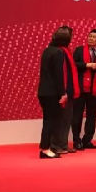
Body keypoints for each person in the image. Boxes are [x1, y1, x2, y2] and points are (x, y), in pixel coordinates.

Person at [37, 28, 71, 159]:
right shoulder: (58, 52)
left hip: (43, 91)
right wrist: (63, 93)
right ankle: (45, 149)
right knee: (50, 121)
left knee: (48, 120)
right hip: (52, 93)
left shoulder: (47, 50)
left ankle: (46, 148)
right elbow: (58, 75)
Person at [72, 28, 96, 150]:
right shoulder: (79, 50)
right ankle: (76, 141)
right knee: (77, 115)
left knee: (91, 116)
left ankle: (87, 140)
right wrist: (87, 65)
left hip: (95, 89)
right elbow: (73, 64)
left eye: (94, 37)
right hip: (80, 88)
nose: (91, 39)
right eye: (90, 36)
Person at [53, 26, 80, 152]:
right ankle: (57, 145)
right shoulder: (59, 52)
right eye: (70, 36)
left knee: (67, 119)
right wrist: (62, 92)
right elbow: (60, 73)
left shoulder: (65, 51)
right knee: (60, 119)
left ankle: (63, 144)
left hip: (69, 90)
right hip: (62, 91)